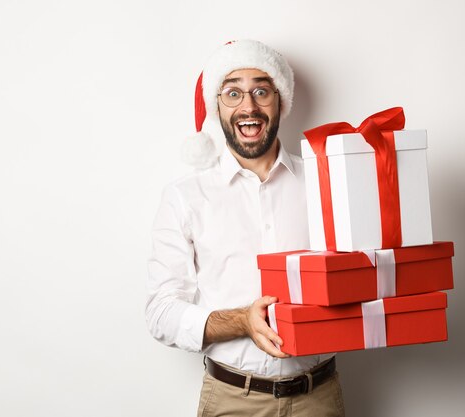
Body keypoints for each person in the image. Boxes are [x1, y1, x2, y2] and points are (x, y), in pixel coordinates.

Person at [146, 40, 345, 417]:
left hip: (319, 398)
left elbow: (357, 272)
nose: (248, 106)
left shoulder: (326, 184)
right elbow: (161, 313)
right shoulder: (184, 196)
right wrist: (241, 321)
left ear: (280, 101)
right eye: (233, 92)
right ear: (217, 106)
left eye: (261, 90)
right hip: (233, 401)